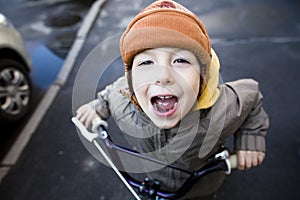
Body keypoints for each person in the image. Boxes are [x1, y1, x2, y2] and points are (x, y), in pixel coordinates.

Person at [76, 0, 269, 199]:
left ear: (203, 76)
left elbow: (251, 96)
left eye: (181, 60)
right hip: (152, 181)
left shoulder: (221, 109)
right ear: (131, 80)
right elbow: (113, 92)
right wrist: (99, 106)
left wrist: (250, 141)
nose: (163, 76)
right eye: (146, 62)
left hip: (201, 187)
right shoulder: (122, 101)